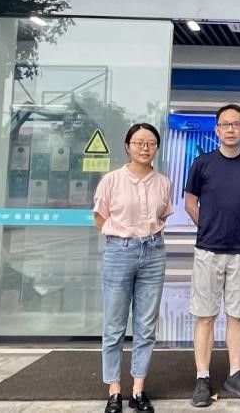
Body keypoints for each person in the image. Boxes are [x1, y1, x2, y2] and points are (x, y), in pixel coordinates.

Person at [93, 123, 173, 413]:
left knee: (146, 325)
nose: (144, 148)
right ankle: (114, 390)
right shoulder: (112, 180)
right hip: (120, 252)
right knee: (114, 325)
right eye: (138, 142)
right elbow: (100, 217)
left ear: (156, 147)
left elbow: (163, 215)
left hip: (153, 251)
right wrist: (121, 235)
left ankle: (138, 389)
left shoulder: (163, 182)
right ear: (128, 146)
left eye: (150, 143)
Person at [184, 104, 240, 406]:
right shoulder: (202, 163)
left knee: (237, 315)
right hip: (208, 251)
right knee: (205, 316)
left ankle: (235, 374)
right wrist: (208, 226)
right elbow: (190, 203)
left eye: (236, 124)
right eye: (225, 124)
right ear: (216, 130)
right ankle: (202, 377)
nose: (230, 129)